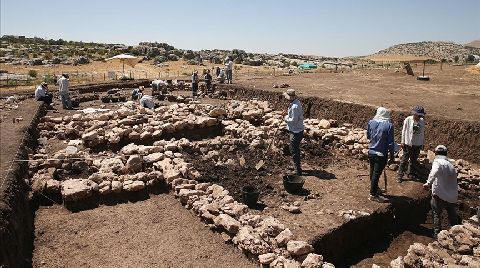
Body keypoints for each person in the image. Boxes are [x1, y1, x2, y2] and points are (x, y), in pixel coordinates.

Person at [423, 145, 458, 238]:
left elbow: (434, 172)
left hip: (439, 195)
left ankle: (437, 234)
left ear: (436, 153)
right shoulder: (451, 164)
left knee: (436, 214)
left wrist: (427, 183)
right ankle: (457, 233)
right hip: (452, 196)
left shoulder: (437, 162)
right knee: (452, 216)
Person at [367, 107, 395, 202]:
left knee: (372, 171)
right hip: (381, 154)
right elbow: (390, 143)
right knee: (376, 174)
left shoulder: (371, 122)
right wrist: (392, 156)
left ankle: (375, 189)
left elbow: (368, 136)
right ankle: (373, 194)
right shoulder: (389, 126)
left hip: (371, 152)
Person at [397, 105, 426, 182]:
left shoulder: (422, 121)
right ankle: (400, 175)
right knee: (404, 160)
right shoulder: (408, 120)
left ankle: (410, 174)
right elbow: (404, 131)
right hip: (408, 144)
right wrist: (402, 141)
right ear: (414, 114)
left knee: (413, 160)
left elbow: (422, 133)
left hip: (417, 144)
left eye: (420, 115)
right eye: (418, 115)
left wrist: (422, 143)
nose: (419, 117)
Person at [283, 89, 304, 175]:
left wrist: (285, 117)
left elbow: (294, 120)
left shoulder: (295, 106)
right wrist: (287, 114)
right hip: (297, 130)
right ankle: (297, 167)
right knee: (294, 150)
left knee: (294, 151)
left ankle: (297, 171)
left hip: (296, 131)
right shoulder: (296, 102)